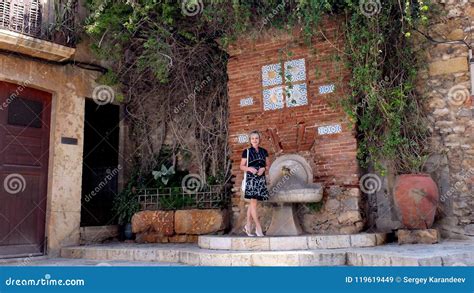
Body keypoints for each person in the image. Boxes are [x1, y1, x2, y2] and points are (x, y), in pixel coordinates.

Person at [240, 130, 270, 237]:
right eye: (252, 138)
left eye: (256, 138)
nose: (255, 140)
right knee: (253, 204)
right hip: (251, 179)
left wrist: (263, 169)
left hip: (260, 179)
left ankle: (248, 226)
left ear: (259, 139)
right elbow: (241, 166)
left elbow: (268, 165)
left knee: (252, 204)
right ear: (250, 140)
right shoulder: (246, 152)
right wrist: (249, 169)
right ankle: (258, 227)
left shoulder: (264, 151)